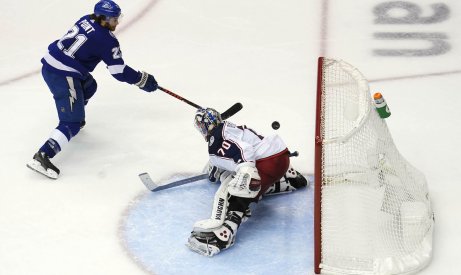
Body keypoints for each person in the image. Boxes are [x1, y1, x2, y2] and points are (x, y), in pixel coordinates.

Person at [27, 1, 159, 179]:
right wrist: (141, 79)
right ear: (103, 19)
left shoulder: (86, 19)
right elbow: (118, 71)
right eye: (114, 20)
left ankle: (74, 116)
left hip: (52, 65)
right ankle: (43, 155)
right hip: (63, 74)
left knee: (90, 86)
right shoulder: (106, 40)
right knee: (72, 122)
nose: (117, 23)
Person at [186, 107, 308, 257]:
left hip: (267, 164)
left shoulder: (215, 140)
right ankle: (290, 179)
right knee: (253, 183)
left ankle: (224, 235)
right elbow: (247, 146)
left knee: (236, 191)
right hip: (281, 159)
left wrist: (245, 170)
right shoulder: (229, 127)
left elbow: (243, 150)